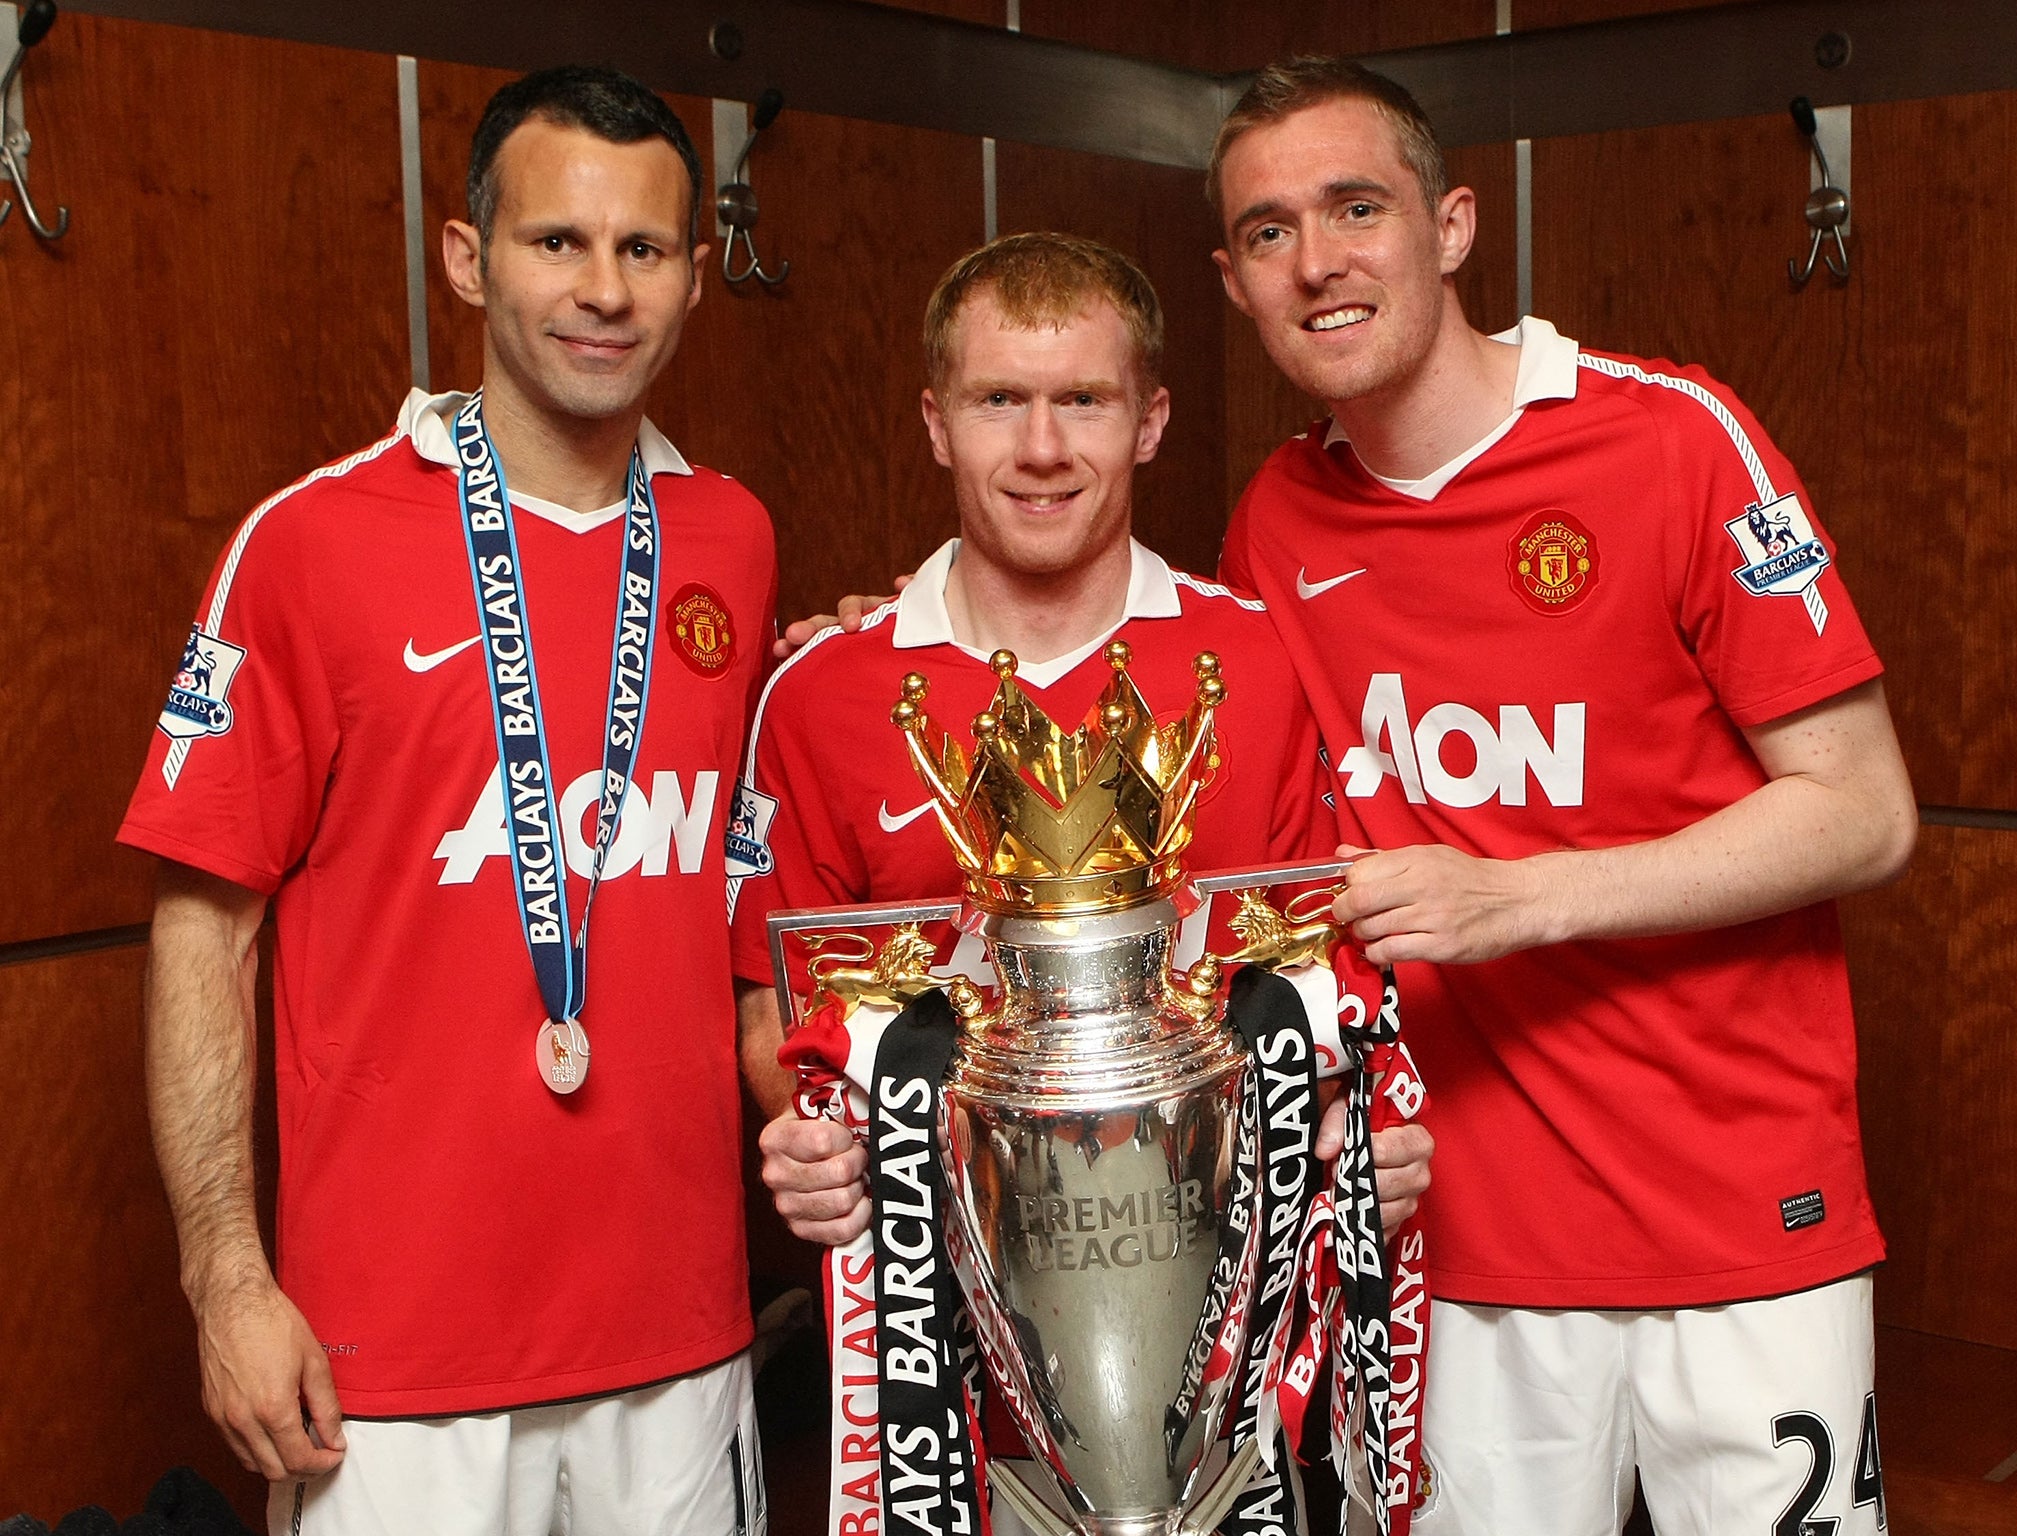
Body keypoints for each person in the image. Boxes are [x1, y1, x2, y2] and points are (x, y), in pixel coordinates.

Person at [1206, 56, 1918, 1536]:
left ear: (1453, 226)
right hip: (1462, 1244)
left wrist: (1515, 897)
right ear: (1233, 280)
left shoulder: (1668, 438)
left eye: (1356, 208)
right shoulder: (1274, 522)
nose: (1319, 261)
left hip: (1740, 1214)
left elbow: (1865, 810)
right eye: (1271, 231)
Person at [122, 66, 775, 1536]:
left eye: (646, 249)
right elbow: (200, 937)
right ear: (469, 260)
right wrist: (226, 1279)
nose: (603, 290)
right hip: (387, 1370)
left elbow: (746, 882)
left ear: (692, 276)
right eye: (558, 242)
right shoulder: (310, 545)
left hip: (678, 1349)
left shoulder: (732, 539)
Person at [732, 230, 1431, 1249]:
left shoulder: (1260, 664)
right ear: (937, 424)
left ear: (1149, 422)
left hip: (1214, 1270)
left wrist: (1353, 1138)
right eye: (997, 400)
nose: (1042, 449)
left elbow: (1319, 982)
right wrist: (814, 1150)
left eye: (1084, 401)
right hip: (936, 1295)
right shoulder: (818, 692)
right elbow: (774, 1013)